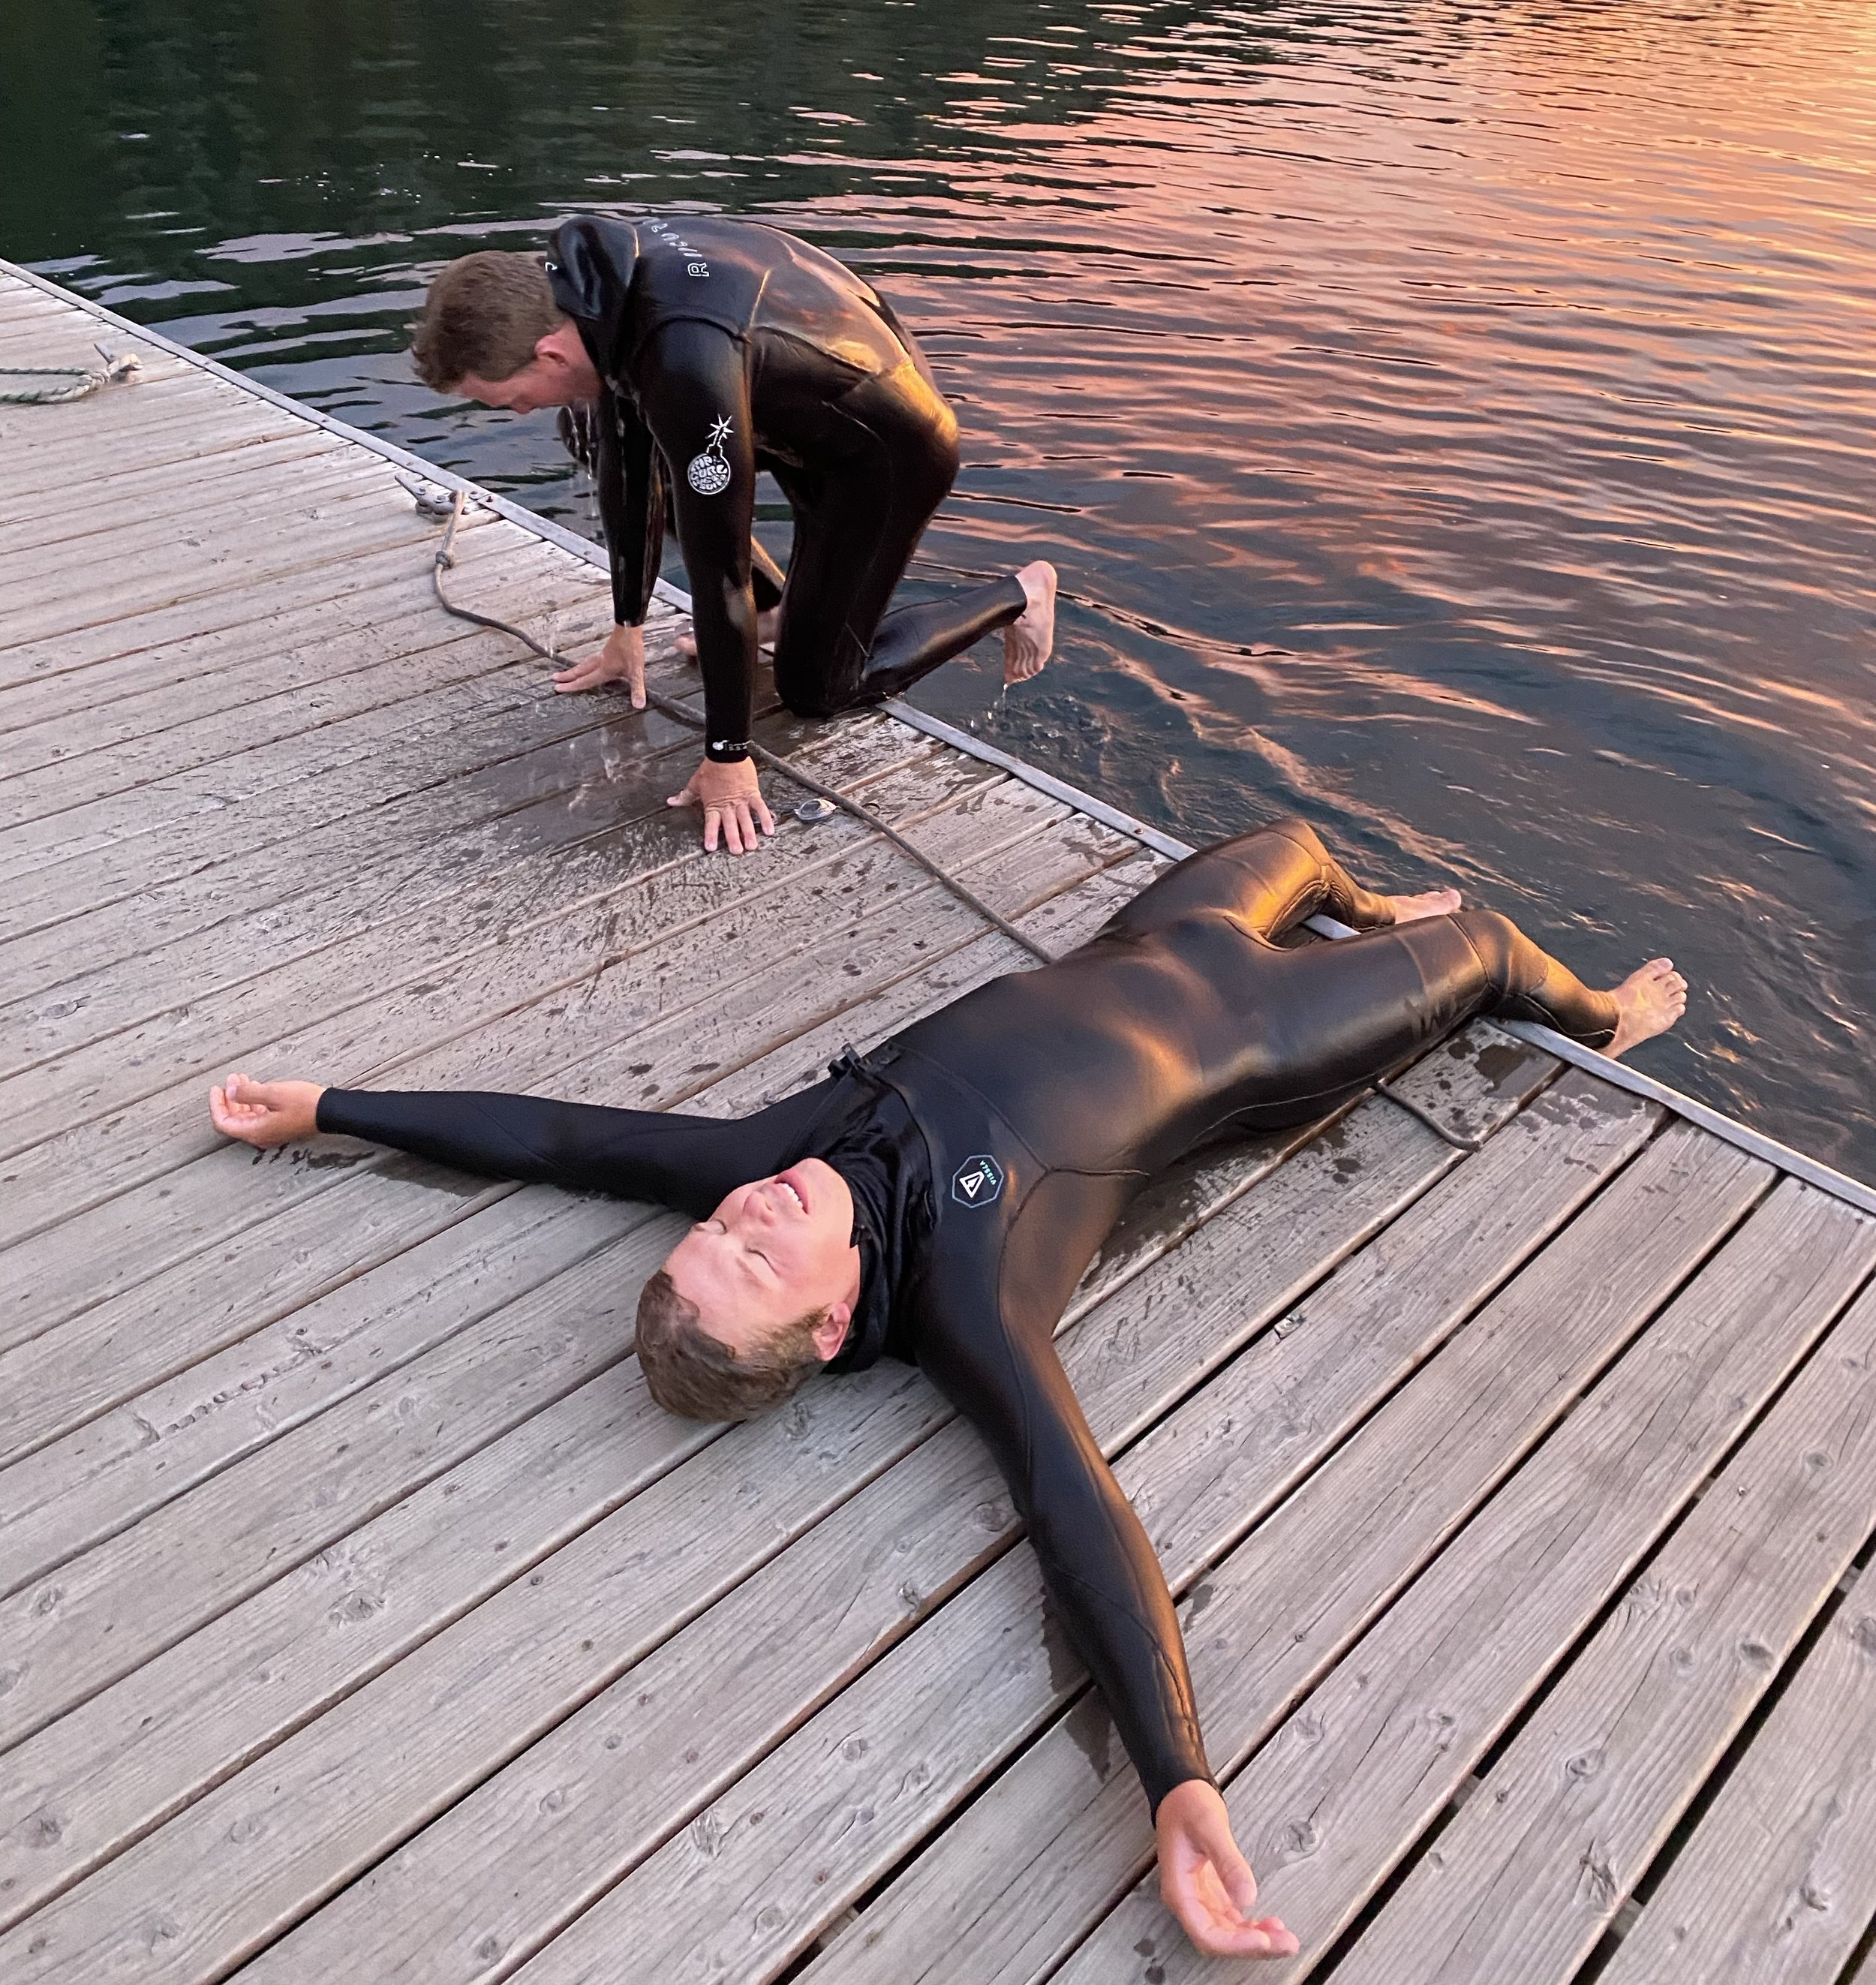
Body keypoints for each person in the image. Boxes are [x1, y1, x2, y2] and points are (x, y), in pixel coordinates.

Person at [209, 817, 1685, 1961]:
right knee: (1490, 946)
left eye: (716, 1228)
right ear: (830, 1324)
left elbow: (560, 1139)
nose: (750, 1207)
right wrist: (1177, 1779)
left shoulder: (770, 1165)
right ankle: (1603, 1019)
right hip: (1262, 1041)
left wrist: (331, 1105)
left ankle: (1362, 910)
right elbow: (1072, 1504)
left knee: (1299, 843)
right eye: (755, 1254)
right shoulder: (969, 1296)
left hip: (1147, 941)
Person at [412, 215, 1058, 856]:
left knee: (817, 689)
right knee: (589, 426)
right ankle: (777, 609)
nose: (521, 410)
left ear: (550, 352)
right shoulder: (592, 288)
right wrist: (627, 627)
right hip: (797, 399)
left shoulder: (682, 363)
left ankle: (1020, 594)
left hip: (886, 454)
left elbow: (717, 571)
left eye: (511, 399)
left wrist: (728, 755)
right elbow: (625, 456)